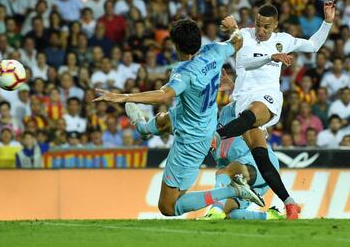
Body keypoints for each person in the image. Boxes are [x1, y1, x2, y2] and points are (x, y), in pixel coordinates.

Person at [93, 18, 264, 217]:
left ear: (175, 45)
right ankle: (143, 128)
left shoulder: (184, 72)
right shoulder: (215, 51)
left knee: (168, 206)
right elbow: (238, 41)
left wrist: (123, 97)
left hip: (192, 138)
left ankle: (232, 190)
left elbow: (164, 95)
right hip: (202, 119)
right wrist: (233, 27)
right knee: (166, 120)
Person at [213, 0, 336, 219]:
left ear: (275, 25)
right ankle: (289, 204)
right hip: (242, 100)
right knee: (261, 157)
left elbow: (313, 45)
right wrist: (267, 55)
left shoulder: (284, 41)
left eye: (266, 27)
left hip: (267, 98)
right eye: (258, 24)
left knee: (253, 112)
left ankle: (216, 136)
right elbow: (244, 62)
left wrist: (327, 23)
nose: (260, 30)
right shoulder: (243, 36)